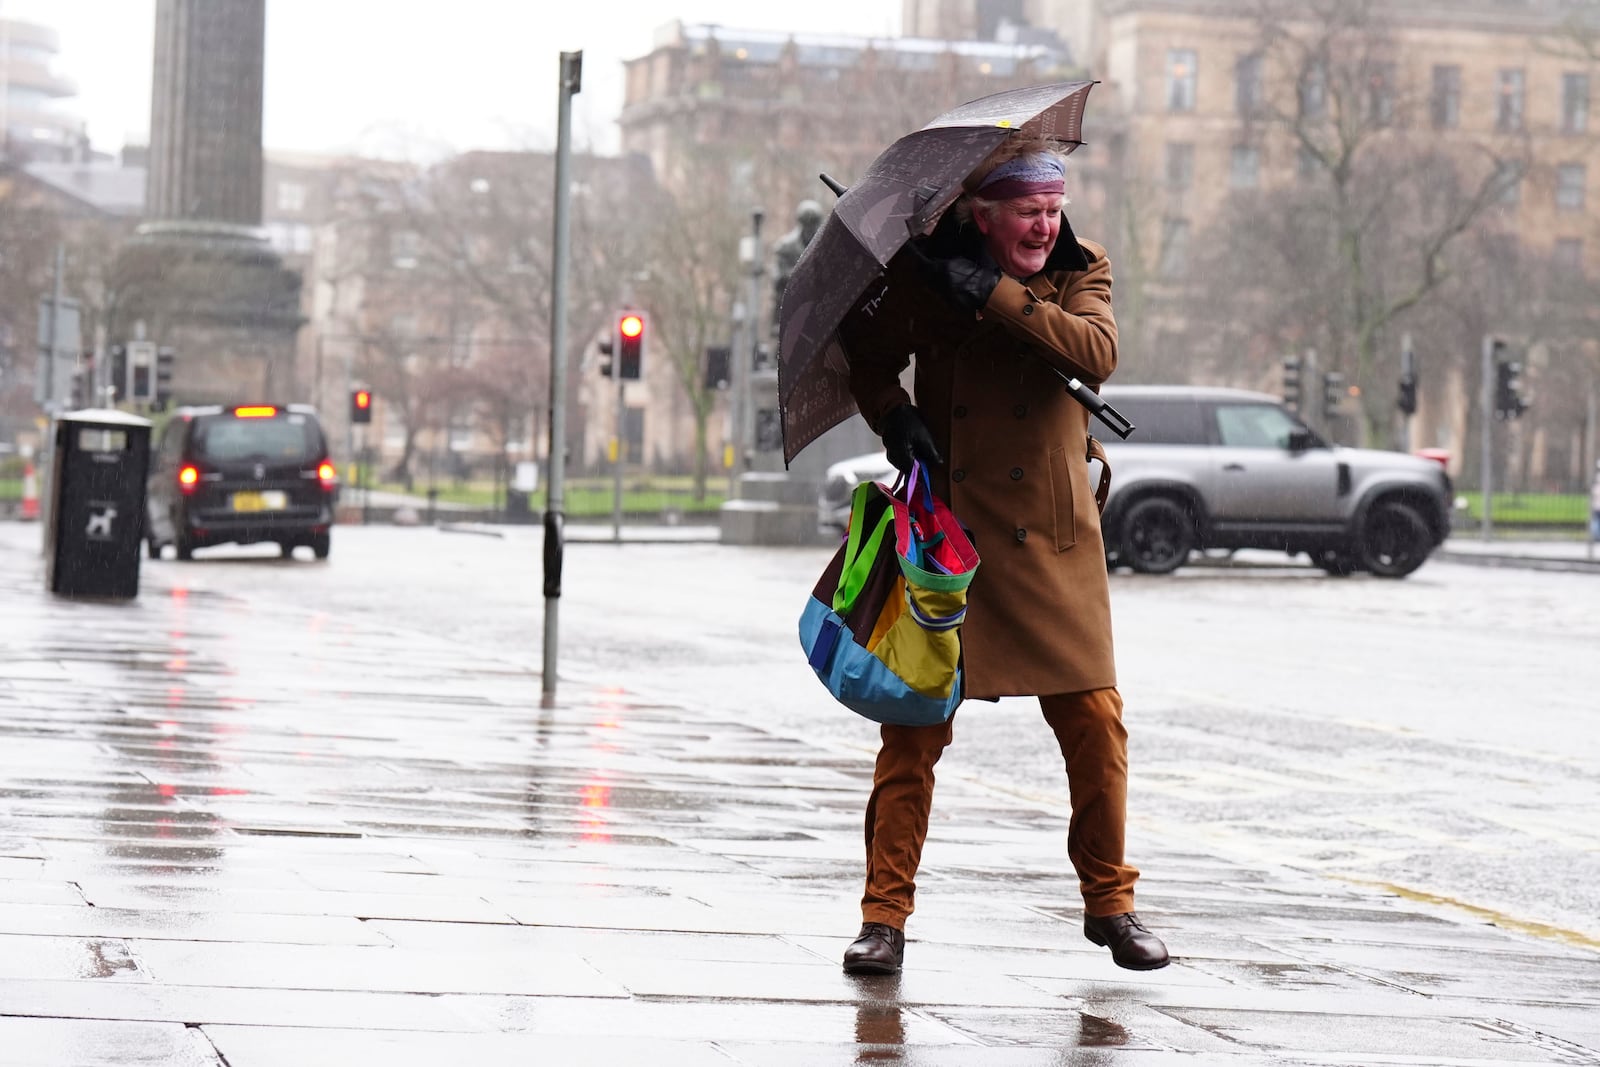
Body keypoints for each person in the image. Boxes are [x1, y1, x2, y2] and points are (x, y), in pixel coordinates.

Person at [835, 136, 1169, 974]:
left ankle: (1112, 904)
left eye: (1052, 208)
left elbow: (1096, 353)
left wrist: (995, 294)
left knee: (1095, 723)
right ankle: (883, 917)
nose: (1043, 224)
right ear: (981, 214)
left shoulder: (1082, 269)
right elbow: (867, 359)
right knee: (911, 733)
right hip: (955, 538)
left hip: (1054, 538)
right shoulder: (924, 273)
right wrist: (893, 414)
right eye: (1026, 211)